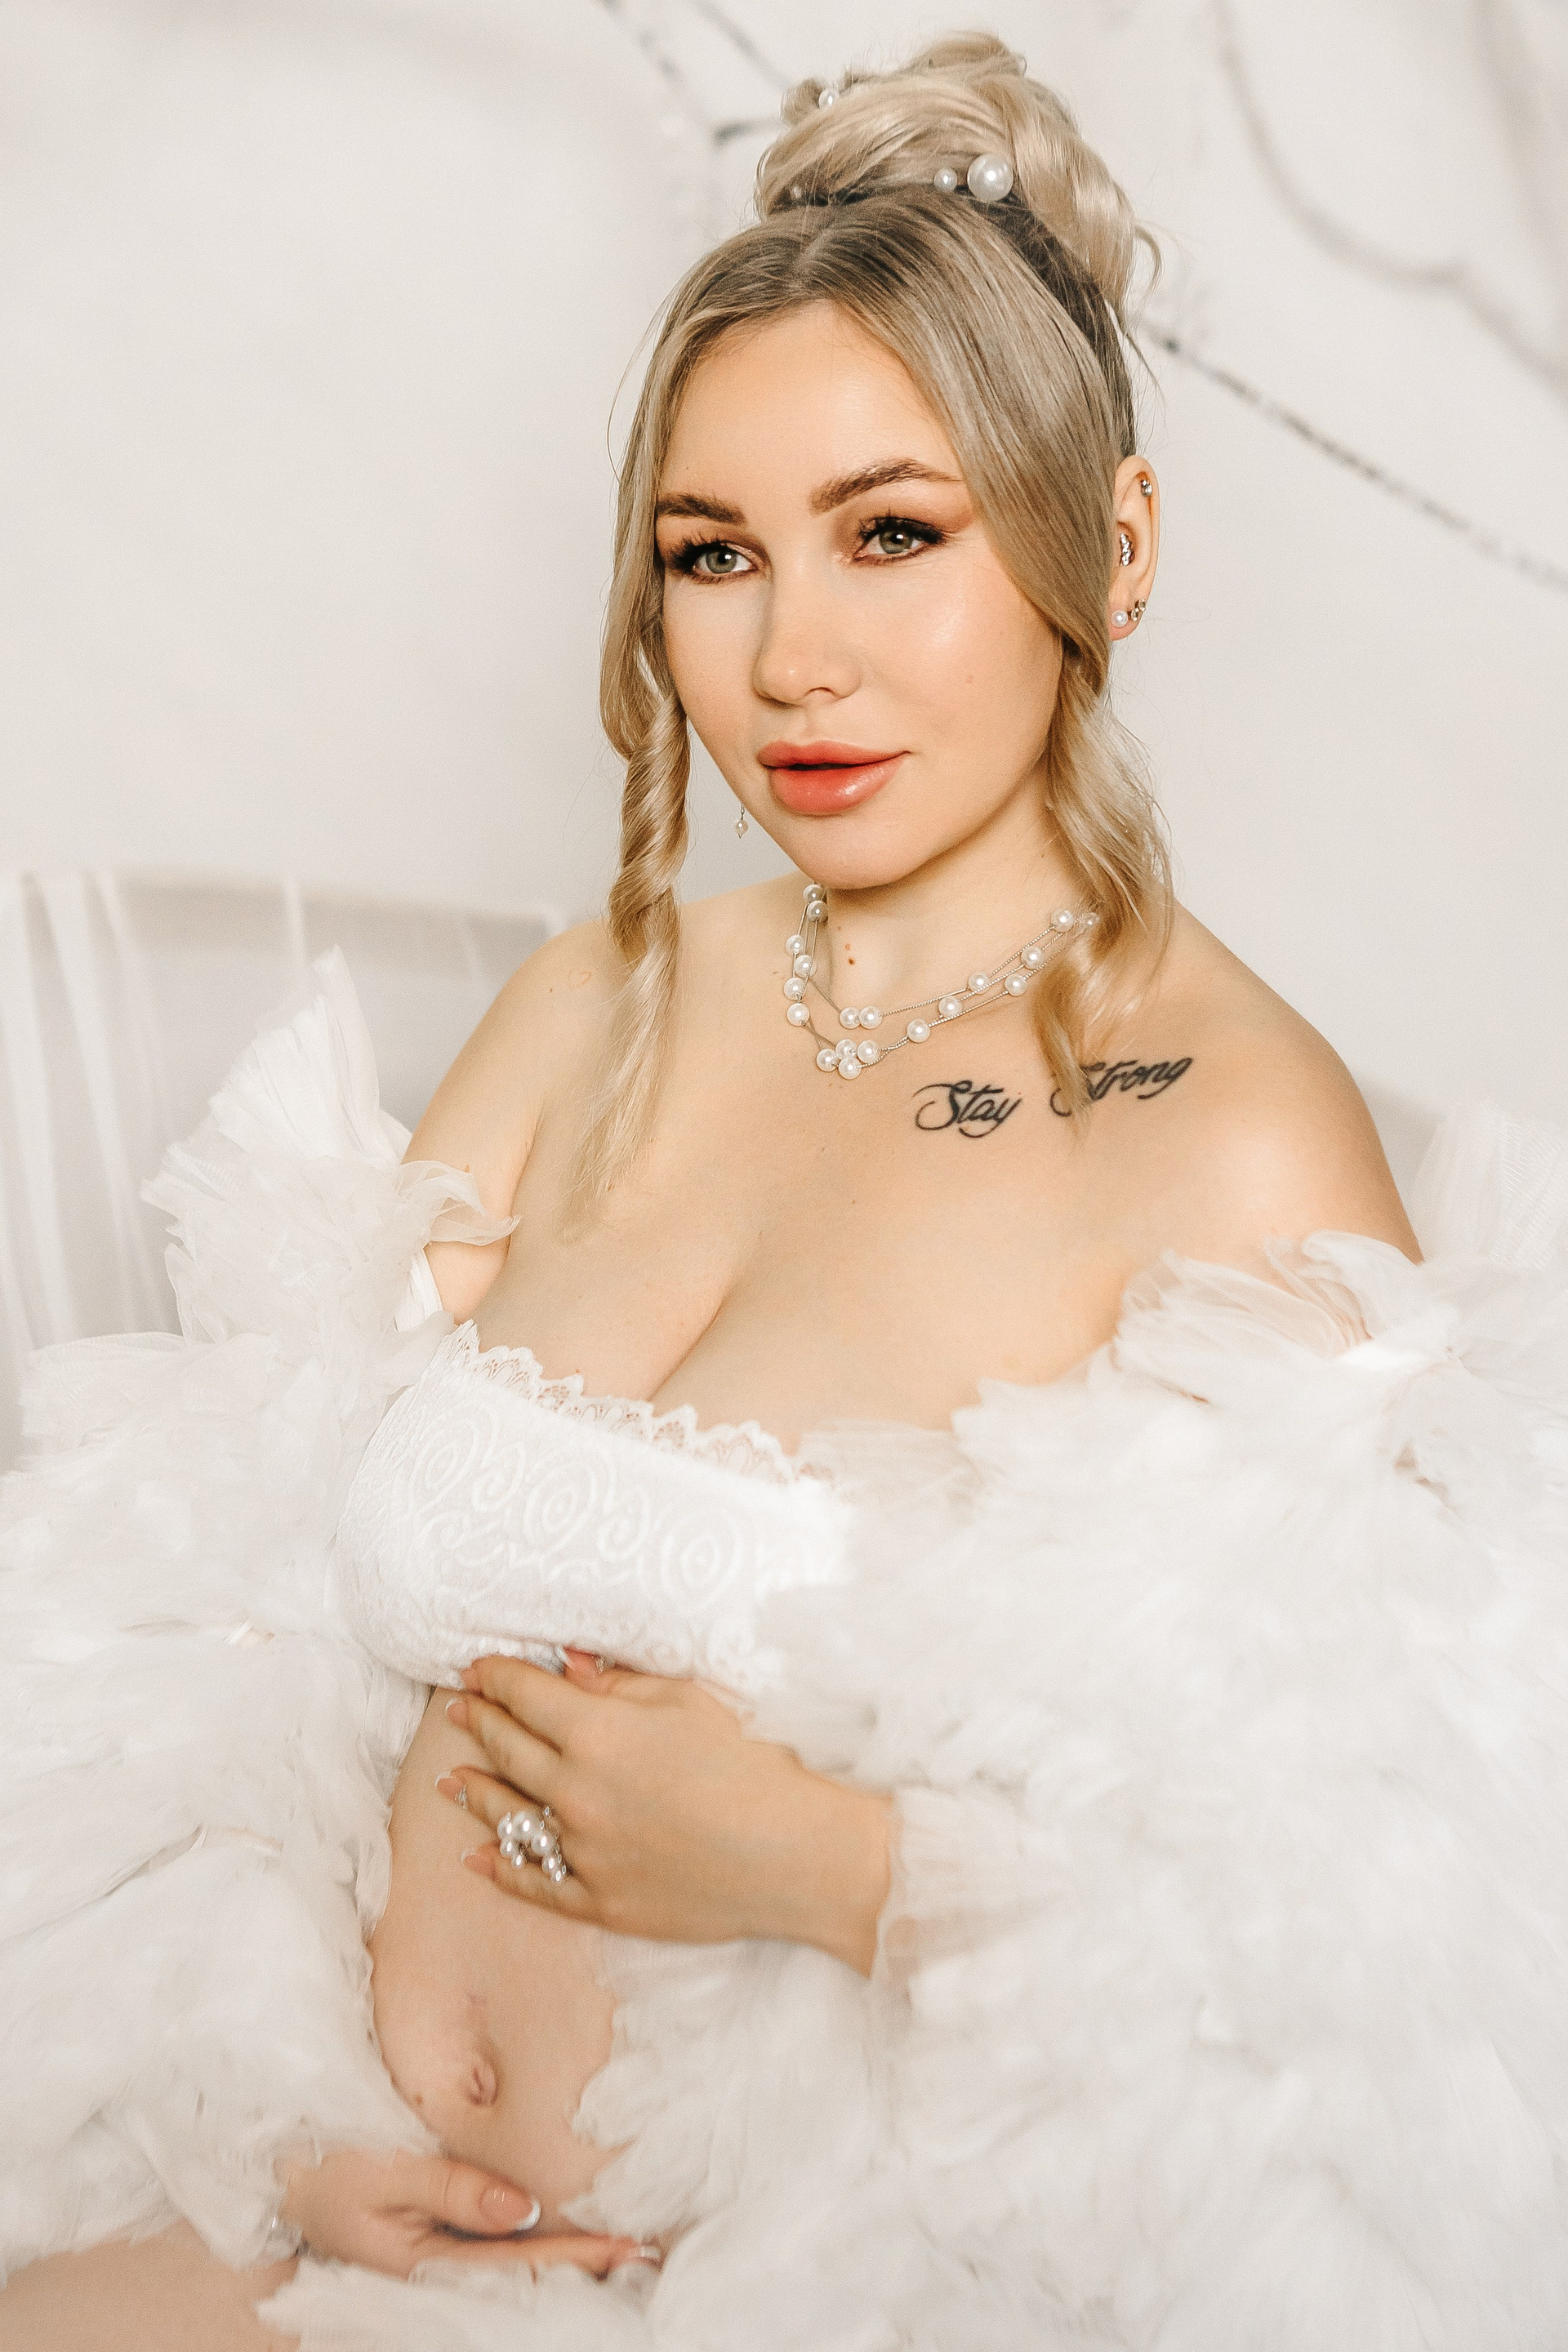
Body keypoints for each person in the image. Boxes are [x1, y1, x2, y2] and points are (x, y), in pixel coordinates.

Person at [5, 33, 1568, 2352]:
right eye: (711, 556)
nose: (792, 658)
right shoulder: (598, 1007)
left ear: (1116, 546)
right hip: (338, 2211)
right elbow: (230, 1623)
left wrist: (830, 1869)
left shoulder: (1232, 1138)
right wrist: (279, 2112)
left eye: (892, 534)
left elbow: (1382, 1954)